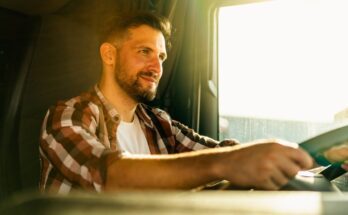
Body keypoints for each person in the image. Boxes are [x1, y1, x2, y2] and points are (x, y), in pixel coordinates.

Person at [39, 12, 313, 194]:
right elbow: (109, 177)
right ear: (109, 55)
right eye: (144, 52)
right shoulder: (67, 116)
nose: (156, 66)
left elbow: (221, 152)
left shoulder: (158, 123)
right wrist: (224, 163)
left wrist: (318, 157)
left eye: (161, 57)